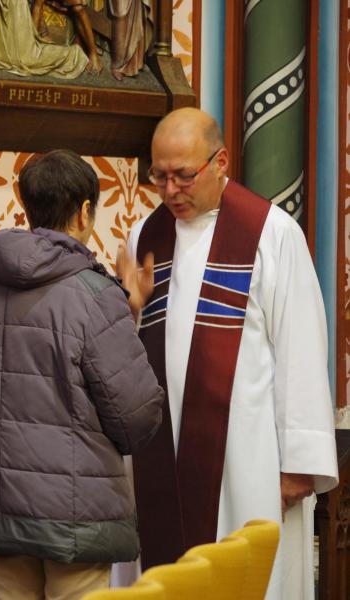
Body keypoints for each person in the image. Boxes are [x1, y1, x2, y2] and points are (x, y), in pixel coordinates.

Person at [115, 107, 338, 599]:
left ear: (220, 161)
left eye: (183, 176)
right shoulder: (145, 237)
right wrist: (125, 310)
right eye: (159, 177)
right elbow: (127, 356)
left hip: (248, 463)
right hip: (160, 458)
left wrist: (298, 461)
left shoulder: (272, 234)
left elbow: (301, 346)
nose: (170, 191)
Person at [0, 149, 164, 600]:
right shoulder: (95, 294)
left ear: (27, 205)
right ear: (84, 211)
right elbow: (136, 415)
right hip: (74, 513)